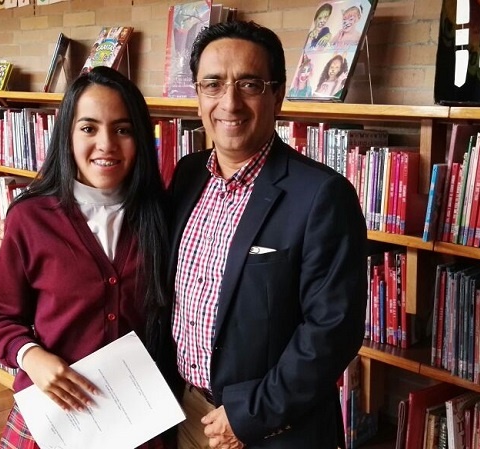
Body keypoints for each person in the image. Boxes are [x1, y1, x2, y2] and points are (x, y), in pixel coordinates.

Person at [160, 20, 368, 449]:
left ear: (278, 96)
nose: (229, 102)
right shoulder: (186, 175)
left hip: (271, 428)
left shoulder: (321, 195)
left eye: (250, 84)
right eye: (213, 85)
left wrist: (248, 416)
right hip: (187, 411)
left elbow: (332, 331)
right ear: (198, 96)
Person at [0, 66, 170, 449]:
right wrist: (30, 356)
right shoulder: (31, 217)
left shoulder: (161, 216)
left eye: (123, 129)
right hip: (54, 412)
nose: (106, 144)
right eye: (88, 128)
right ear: (67, 135)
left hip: (137, 412)